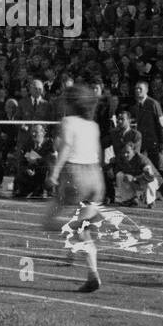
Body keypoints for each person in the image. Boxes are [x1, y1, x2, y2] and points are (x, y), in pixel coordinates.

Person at [45, 84, 105, 292]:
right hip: (95, 177)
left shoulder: (68, 121)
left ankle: (75, 227)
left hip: (75, 174)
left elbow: (67, 147)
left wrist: (54, 172)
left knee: (48, 221)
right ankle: (93, 274)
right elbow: (98, 153)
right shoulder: (93, 125)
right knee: (85, 230)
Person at [131, 80, 163, 199]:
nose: (138, 91)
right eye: (136, 88)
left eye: (140, 88)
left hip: (154, 141)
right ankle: (144, 192)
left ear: (146, 90)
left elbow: (162, 124)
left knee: (160, 167)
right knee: (141, 166)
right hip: (142, 142)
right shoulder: (137, 105)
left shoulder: (153, 103)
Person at [110, 141, 159, 208]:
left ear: (134, 151)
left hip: (150, 180)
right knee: (119, 175)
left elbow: (150, 177)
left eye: (128, 152)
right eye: (123, 152)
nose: (125, 155)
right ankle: (130, 199)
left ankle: (151, 201)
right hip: (136, 181)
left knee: (150, 181)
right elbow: (111, 167)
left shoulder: (142, 160)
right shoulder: (120, 159)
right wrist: (110, 169)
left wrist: (134, 178)